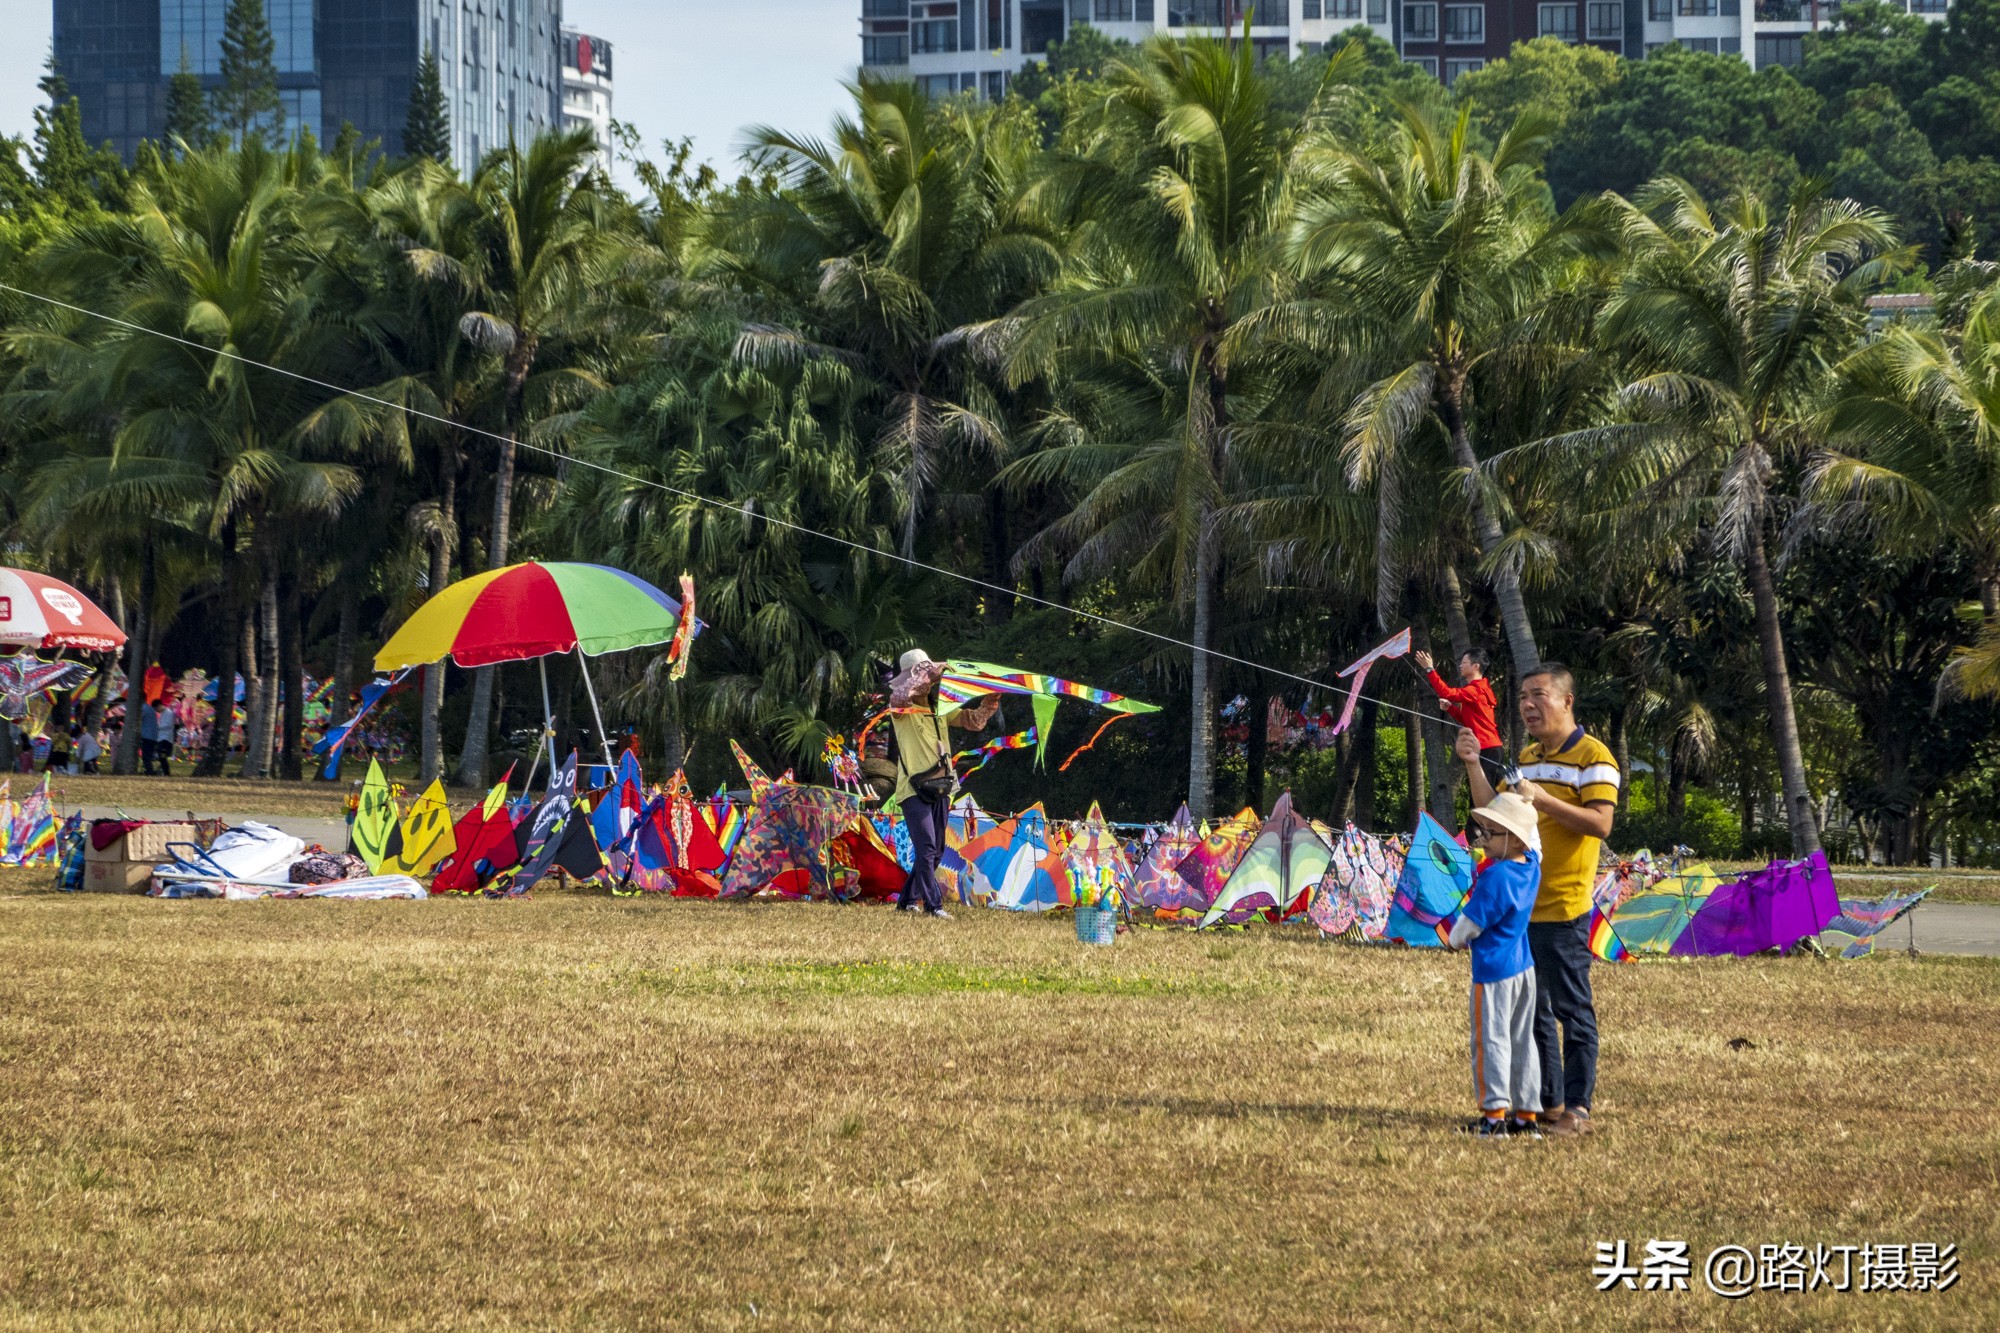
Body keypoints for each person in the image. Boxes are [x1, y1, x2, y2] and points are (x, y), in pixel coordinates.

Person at [1457, 662, 1617, 1139]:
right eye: (1523, 696)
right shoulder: (1524, 757)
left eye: (1539, 695)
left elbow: (1601, 824)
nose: (1528, 704)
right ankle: (1543, 1108)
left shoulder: (1595, 757)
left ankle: (1578, 1111)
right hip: (1521, 910)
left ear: (1567, 701)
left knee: (1572, 1010)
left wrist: (1543, 800)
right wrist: (1471, 764)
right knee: (1532, 1015)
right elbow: (1498, 815)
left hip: (1564, 907)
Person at [1449, 792, 1544, 1139]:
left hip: (1492, 972)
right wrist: (1526, 799)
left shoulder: (1495, 878)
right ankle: (1527, 1114)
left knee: (1490, 1040)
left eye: (1490, 833)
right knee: (1523, 1040)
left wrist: (1454, 941)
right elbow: (1536, 841)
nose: (1481, 839)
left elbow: (1469, 925)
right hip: (1524, 969)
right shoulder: (1531, 866)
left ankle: (1493, 1117)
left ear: (1514, 838)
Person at [886, 649, 997, 919]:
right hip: (913, 790)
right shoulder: (901, 710)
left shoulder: (940, 709)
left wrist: (990, 702)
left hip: (943, 788)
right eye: (922, 675)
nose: (929, 680)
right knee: (925, 850)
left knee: (935, 852)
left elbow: (974, 722)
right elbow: (899, 695)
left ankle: (907, 902)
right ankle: (934, 906)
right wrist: (927, 676)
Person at [1414, 647, 1503, 786]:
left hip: (1486, 749)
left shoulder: (1475, 690)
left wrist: (1429, 669)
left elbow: (1446, 692)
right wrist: (1450, 708)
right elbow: (1468, 720)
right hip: (1489, 748)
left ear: (1475, 666)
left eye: (1464, 663)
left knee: (1483, 797)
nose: (1460, 666)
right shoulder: (1480, 689)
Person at [150, 699, 178, 777]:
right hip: (161, 738)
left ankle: (166, 772)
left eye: (156, 709)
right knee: (161, 756)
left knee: (162, 756)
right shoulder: (163, 713)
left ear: (159, 706)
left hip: (166, 739)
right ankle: (164, 771)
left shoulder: (169, 713)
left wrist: (157, 727)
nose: (157, 711)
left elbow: (168, 725)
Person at [138, 699, 161, 775]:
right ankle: (149, 770)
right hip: (152, 736)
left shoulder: (143, 708)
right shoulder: (149, 708)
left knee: (146, 755)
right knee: (148, 755)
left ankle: (149, 771)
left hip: (147, 736)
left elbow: (138, 719)